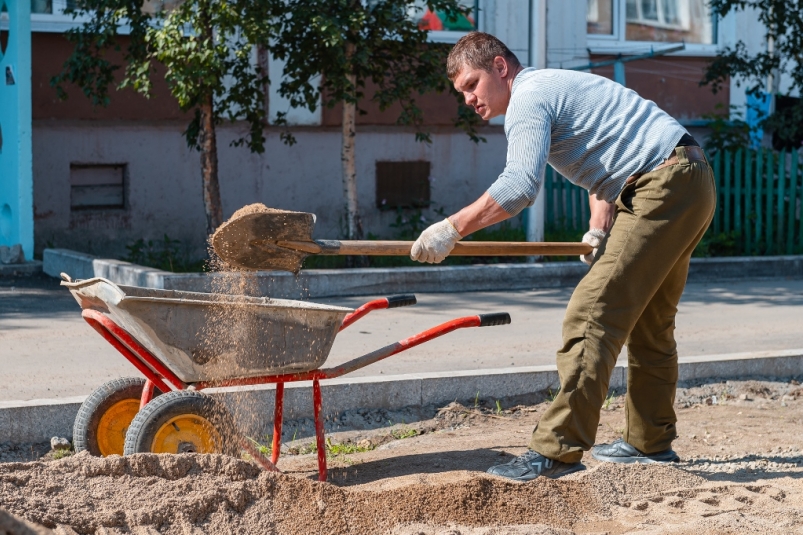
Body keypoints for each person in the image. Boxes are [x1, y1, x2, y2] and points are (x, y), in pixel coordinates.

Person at [410, 32, 716, 480]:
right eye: (462, 93)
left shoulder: (528, 99)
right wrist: (597, 229)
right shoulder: (553, 87)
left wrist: (451, 229)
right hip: (687, 177)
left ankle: (555, 450)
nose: (469, 99)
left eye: (472, 84)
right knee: (650, 322)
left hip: (662, 184)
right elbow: (607, 169)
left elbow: (518, 187)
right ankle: (650, 442)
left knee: (591, 314)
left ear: (499, 67)